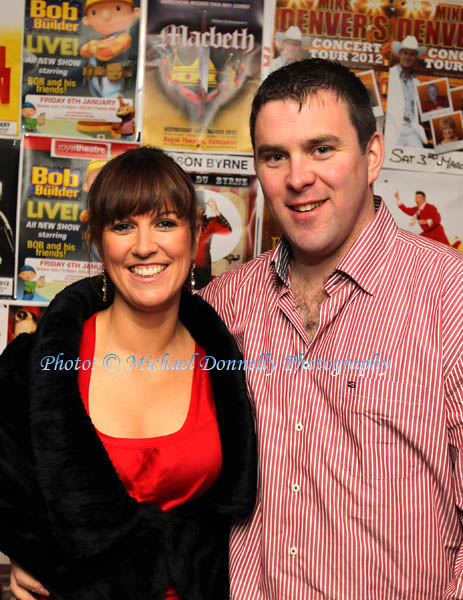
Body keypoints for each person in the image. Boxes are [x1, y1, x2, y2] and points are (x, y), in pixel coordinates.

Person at [12, 58, 463, 599]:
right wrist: (44, 558)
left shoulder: (447, 298)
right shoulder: (224, 308)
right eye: (276, 156)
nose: (298, 178)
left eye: (322, 149)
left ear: (370, 156)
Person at [1, 147, 256, 600]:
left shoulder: (228, 363)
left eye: (165, 222)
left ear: (195, 233)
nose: (144, 245)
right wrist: (34, 555)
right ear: (98, 240)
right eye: (123, 225)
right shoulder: (41, 363)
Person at [385, 35, 427, 148]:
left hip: (412, 129)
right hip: (393, 128)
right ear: (400, 54)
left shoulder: (416, 82)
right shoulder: (389, 75)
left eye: (412, 54)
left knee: (420, 159)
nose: (408, 57)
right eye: (405, 53)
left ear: (415, 57)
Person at [395, 189, 460, 248]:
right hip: (427, 233)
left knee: (448, 248)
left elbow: (438, 219)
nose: (416, 200)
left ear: (423, 199)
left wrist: (426, 221)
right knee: (415, 241)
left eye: (418, 198)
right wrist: (398, 199)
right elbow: (407, 210)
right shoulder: (417, 209)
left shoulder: (431, 207)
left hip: (437, 231)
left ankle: (458, 242)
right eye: (416, 198)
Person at [194, 192, 232, 289]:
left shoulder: (211, 222)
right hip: (185, 266)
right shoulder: (184, 223)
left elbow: (227, 230)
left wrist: (216, 211)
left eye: (195, 207)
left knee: (202, 295)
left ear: (202, 210)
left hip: (203, 267)